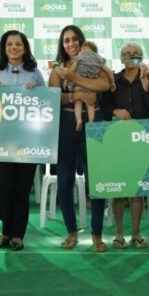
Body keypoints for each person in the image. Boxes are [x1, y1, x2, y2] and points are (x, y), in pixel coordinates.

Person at [49, 25, 111, 251]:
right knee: (64, 182)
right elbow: (54, 98)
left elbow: (104, 85)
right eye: (66, 40)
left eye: (75, 39)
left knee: (96, 182)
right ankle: (71, 232)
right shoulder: (57, 69)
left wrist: (75, 80)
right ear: (62, 44)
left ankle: (97, 235)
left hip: (94, 124)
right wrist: (78, 93)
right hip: (66, 126)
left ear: (81, 41)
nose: (71, 43)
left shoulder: (93, 62)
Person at [0, 30, 45, 251]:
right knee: (2, 187)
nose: (13, 48)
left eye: (18, 44)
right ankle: (5, 228)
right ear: (3, 48)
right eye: (9, 44)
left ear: (25, 47)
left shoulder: (35, 74)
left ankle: (17, 234)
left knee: (21, 189)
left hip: (27, 143)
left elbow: (44, 105)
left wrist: (37, 91)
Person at [100, 43, 149, 249]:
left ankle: (136, 233)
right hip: (117, 138)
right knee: (118, 188)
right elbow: (104, 107)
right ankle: (118, 233)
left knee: (136, 190)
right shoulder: (113, 79)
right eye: (128, 54)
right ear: (122, 58)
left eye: (137, 54)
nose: (133, 57)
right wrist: (115, 110)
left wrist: (144, 81)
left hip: (140, 138)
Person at [68, 41, 114, 131]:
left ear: (83, 50)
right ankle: (91, 122)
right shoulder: (98, 58)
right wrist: (113, 83)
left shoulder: (80, 57)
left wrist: (66, 79)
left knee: (78, 103)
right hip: (91, 86)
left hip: (79, 85)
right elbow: (108, 71)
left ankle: (79, 120)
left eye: (82, 49)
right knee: (90, 104)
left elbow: (71, 71)